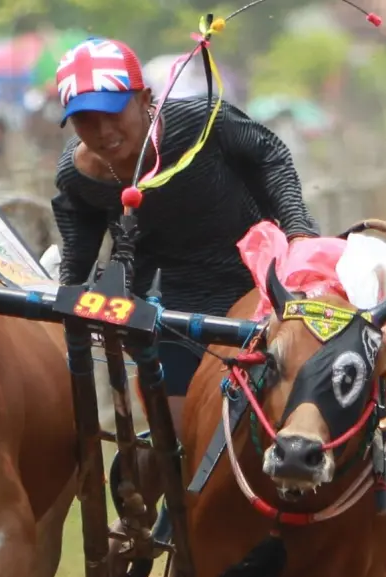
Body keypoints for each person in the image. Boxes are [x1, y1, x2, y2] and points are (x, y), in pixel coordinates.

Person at [51, 37, 318, 435]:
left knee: (282, 415)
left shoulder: (203, 122)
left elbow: (270, 155)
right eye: (86, 119)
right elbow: (78, 257)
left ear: (144, 99)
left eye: (113, 112)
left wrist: (298, 230)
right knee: (182, 439)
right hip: (168, 311)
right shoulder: (78, 176)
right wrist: (69, 299)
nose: (104, 131)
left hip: (257, 286)